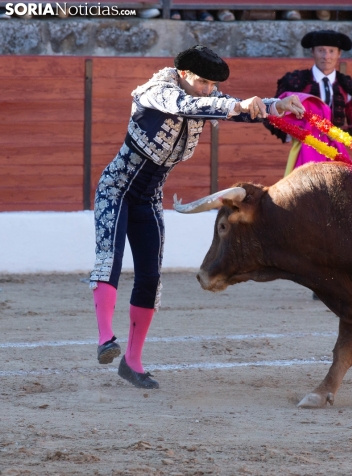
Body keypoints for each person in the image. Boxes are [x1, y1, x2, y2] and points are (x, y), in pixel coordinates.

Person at [89, 45, 304, 389]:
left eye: (211, 84)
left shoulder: (204, 94)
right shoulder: (157, 91)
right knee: (109, 260)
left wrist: (275, 105)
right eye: (202, 81)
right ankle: (105, 339)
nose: (208, 89)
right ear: (184, 75)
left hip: (147, 200)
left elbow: (231, 108)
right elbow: (189, 106)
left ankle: (132, 362)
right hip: (115, 192)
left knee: (150, 277)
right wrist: (233, 104)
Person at [264, 29, 352, 175]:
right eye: (321, 50)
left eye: (331, 51)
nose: (326, 56)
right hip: (304, 150)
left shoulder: (346, 86)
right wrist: (294, 133)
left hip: (335, 153)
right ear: (312, 52)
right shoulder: (295, 82)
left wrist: (340, 134)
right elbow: (272, 116)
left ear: (339, 54)